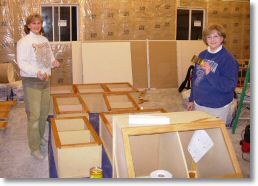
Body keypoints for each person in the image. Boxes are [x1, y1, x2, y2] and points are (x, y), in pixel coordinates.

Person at [16, 13, 60, 160]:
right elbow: (22, 63)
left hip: (46, 81)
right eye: (33, 23)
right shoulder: (24, 42)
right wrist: (37, 72)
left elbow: (49, 56)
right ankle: (34, 148)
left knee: (43, 114)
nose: (36, 26)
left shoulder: (44, 40)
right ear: (28, 25)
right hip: (32, 81)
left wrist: (54, 62)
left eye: (39, 23)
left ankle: (40, 138)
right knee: (34, 116)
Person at [187, 24, 239, 124]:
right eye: (209, 37)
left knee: (214, 135)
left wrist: (210, 73)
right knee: (200, 132)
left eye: (216, 36)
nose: (212, 40)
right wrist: (191, 99)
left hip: (216, 106)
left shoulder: (228, 59)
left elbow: (229, 86)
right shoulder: (202, 54)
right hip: (199, 103)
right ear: (205, 40)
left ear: (222, 38)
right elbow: (195, 78)